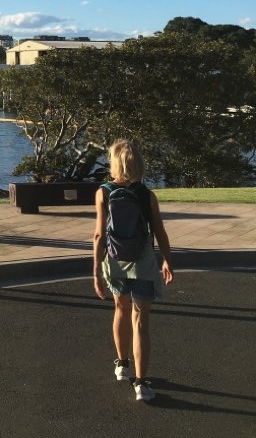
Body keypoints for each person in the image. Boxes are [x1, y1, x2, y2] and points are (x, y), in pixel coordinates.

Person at [93, 139, 174, 402]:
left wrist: (96, 271)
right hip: (142, 262)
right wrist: (166, 260)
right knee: (141, 321)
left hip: (115, 262)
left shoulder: (103, 192)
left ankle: (121, 364)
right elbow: (159, 231)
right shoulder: (147, 195)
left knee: (120, 309)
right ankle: (141, 383)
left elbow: (98, 236)